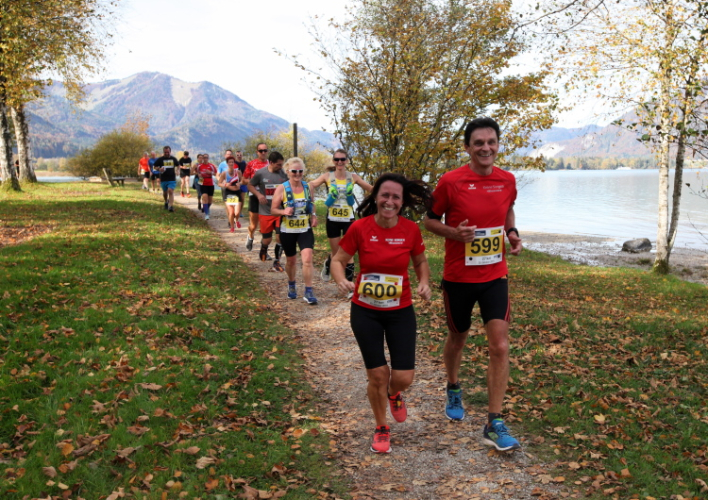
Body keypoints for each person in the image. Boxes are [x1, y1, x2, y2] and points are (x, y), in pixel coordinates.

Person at [423, 117, 523, 452]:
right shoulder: (451, 182)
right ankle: (453, 386)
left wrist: (512, 233)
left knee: (500, 346)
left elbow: (507, 211)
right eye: (478, 143)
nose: (485, 148)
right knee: (458, 338)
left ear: (498, 145)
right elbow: (429, 221)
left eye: (491, 142)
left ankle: (493, 422)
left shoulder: (507, 180)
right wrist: (454, 233)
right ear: (467, 147)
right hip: (459, 278)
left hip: (495, 276)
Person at [331, 172, 433, 454]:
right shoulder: (360, 228)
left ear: (402, 202)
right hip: (366, 311)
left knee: (403, 378)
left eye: (395, 197)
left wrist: (424, 282)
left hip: (400, 311)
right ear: (375, 197)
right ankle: (381, 426)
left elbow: (420, 261)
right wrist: (340, 279)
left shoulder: (410, 230)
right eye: (385, 195)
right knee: (377, 375)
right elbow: (338, 260)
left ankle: (394, 393)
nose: (389, 201)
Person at [309, 149, 372, 286]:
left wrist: (387, 192)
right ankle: (328, 263)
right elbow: (310, 185)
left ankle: (349, 286)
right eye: (337, 159)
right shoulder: (327, 176)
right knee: (337, 253)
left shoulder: (353, 177)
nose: (340, 162)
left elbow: (371, 189)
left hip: (349, 220)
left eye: (342, 159)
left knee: (348, 253)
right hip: (332, 220)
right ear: (333, 161)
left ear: (347, 161)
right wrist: (309, 201)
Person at [271, 157, 319, 304]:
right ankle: (291, 284)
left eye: (300, 171)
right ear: (287, 171)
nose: (297, 174)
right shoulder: (282, 188)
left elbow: (312, 203)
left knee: (307, 259)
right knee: (291, 261)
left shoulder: (308, 187)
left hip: (304, 229)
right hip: (288, 230)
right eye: (294, 171)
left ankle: (308, 291)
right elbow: (273, 210)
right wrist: (283, 212)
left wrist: (314, 215)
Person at [248, 151, 287, 272]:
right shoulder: (261, 173)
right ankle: (264, 247)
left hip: (280, 211)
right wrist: (259, 195)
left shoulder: (284, 174)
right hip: (265, 211)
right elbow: (250, 185)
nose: (280, 167)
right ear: (271, 163)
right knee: (267, 239)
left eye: (282, 164)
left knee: (280, 237)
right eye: (278, 165)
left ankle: (277, 262)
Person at [243, 143, 270, 251]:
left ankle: (264, 249)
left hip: (268, 196)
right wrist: (254, 181)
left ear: (267, 151)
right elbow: (243, 180)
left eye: (265, 150)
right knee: (254, 225)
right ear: (257, 152)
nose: (263, 153)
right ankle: (250, 236)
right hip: (254, 194)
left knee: (265, 224)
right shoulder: (251, 164)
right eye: (260, 151)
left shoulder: (271, 164)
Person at [219, 156, 242, 232]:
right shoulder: (224, 173)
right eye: (230, 162)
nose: (231, 163)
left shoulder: (238, 172)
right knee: (231, 212)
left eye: (232, 162)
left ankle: (237, 220)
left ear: (234, 163)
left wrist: (239, 183)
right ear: (227, 163)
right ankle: (232, 227)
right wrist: (225, 185)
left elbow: (242, 181)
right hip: (228, 193)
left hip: (237, 193)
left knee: (237, 212)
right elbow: (219, 183)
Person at [153, 146, 180, 212]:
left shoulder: (173, 159)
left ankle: (171, 206)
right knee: (165, 193)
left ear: (170, 152)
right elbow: (154, 167)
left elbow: (178, 165)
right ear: (163, 152)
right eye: (165, 152)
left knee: (170, 191)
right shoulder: (160, 159)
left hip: (172, 178)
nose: (167, 153)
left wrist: (178, 170)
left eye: (168, 152)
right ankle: (166, 201)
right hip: (163, 179)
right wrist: (159, 169)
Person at [196, 153, 218, 220]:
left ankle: (206, 208)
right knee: (204, 197)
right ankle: (206, 214)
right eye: (204, 157)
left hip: (210, 183)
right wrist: (199, 175)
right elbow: (197, 172)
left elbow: (216, 173)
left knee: (210, 201)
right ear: (202, 158)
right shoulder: (199, 166)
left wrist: (210, 172)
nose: (205, 159)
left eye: (206, 157)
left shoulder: (211, 165)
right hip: (202, 182)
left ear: (208, 158)